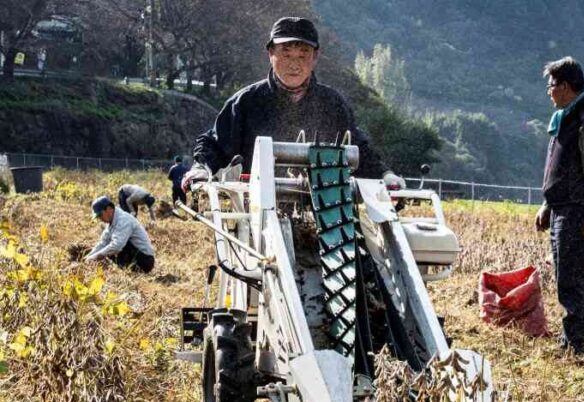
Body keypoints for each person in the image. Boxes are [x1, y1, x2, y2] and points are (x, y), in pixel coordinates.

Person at [185, 17, 400, 189]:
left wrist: (385, 174)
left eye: (303, 55)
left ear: (316, 56)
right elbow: (213, 143)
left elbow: (358, 149)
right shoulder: (246, 102)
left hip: (322, 207)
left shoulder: (333, 104)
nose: (294, 64)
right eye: (286, 55)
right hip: (256, 209)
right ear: (271, 53)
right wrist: (201, 168)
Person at [535, 56, 584, 356]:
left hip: (577, 210)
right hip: (561, 207)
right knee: (563, 272)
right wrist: (547, 204)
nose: (548, 91)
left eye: (551, 85)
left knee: (570, 274)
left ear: (565, 86)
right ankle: (572, 336)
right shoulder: (565, 118)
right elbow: (560, 169)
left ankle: (576, 339)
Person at [86, 196, 156, 273]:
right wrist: (87, 258)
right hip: (136, 256)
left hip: (145, 261)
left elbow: (117, 246)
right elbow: (102, 243)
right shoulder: (111, 223)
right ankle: (130, 270)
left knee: (113, 246)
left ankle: (135, 270)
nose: (100, 219)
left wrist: (95, 257)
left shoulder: (123, 220)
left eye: (100, 215)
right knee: (107, 246)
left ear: (109, 209)